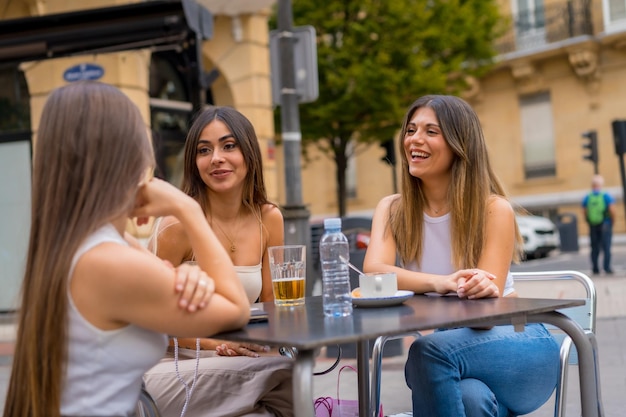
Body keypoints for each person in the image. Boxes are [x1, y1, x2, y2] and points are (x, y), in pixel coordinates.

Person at [2, 81, 250, 417]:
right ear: (128, 154)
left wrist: (191, 277)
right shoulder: (107, 262)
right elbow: (236, 308)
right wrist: (187, 209)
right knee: (279, 378)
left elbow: (177, 286)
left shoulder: (86, 244)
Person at [363, 95, 560, 417]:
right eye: (411, 130)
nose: (415, 139)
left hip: (517, 344)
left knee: (425, 355)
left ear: (459, 144)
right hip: (450, 350)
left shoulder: (493, 208)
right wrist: (442, 283)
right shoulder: (392, 208)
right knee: (469, 400)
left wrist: (474, 286)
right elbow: (374, 272)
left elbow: (483, 318)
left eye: (431, 131)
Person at [143, 106, 293, 417]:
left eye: (228, 146)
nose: (216, 159)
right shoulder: (177, 225)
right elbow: (151, 322)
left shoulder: (268, 218)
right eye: (204, 150)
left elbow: (271, 305)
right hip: (178, 364)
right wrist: (217, 344)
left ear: (249, 153)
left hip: (244, 358)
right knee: (286, 374)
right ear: (194, 162)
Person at [582, 174, 615, 275]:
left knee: (594, 247)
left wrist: (588, 220)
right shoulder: (606, 195)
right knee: (606, 247)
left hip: (593, 224)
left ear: (592, 185)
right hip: (605, 223)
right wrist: (612, 221)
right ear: (601, 184)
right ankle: (607, 268)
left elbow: (584, 211)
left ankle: (595, 268)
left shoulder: (588, 196)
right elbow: (612, 210)